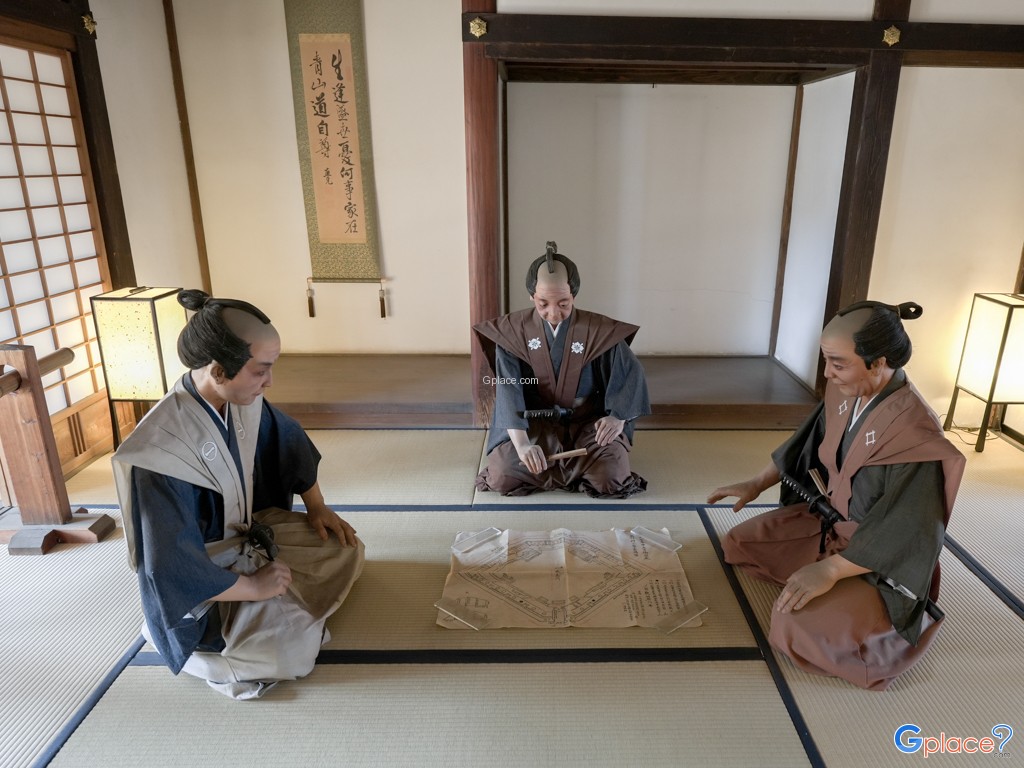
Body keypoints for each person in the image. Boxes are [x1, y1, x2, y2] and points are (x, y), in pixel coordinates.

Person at [112, 289, 364, 700]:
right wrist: (253, 588)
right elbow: (170, 567)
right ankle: (200, 654)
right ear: (217, 369)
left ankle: (270, 617)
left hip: (247, 536)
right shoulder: (160, 452)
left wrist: (317, 507)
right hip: (204, 582)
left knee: (345, 548)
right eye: (261, 370)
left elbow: (288, 441)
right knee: (294, 652)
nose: (269, 382)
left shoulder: (239, 398)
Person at [708, 300, 965, 691]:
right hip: (830, 526)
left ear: (878, 363)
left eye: (838, 363)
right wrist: (756, 482)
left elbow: (908, 529)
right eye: (826, 360)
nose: (827, 373)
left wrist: (831, 570)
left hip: (877, 562)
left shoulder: (915, 436)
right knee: (739, 544)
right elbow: (805, 446)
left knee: (794, 629)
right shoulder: (845, 393)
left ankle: (859, 611)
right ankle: (823, 584)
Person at [474, 242, 650, 498]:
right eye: (543, 303)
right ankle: (564, 469)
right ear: (531, 296)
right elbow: (508, 391)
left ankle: (558, 471)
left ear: (574, 296)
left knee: (611, 478)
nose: (553, 313)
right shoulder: (512, 333)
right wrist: (522, 445)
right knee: (502, 475)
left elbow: (629, 376)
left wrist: (617, 417)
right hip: (532, 423)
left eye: (564, 303)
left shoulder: (597, 331)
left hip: (588, 424)